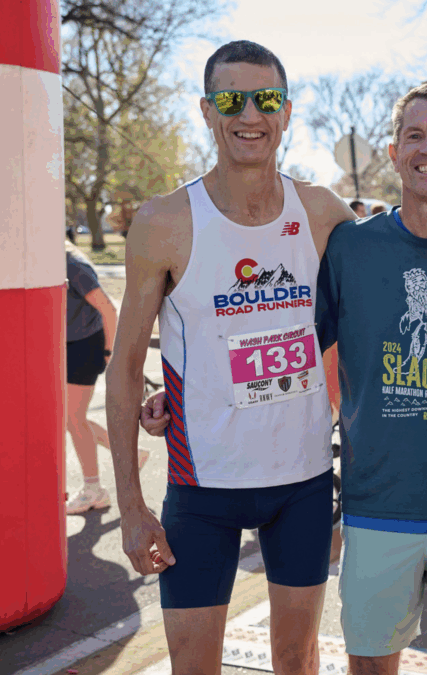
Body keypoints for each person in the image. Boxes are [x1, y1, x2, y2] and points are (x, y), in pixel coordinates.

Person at [106, 40, 357, 675]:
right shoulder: (164, 221)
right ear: (207, 110)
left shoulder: (323, 212)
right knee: (194, 666)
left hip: (303, 483)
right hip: (202, 490)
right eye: (231, 100)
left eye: (266, 99)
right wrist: (131, 507)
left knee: (297, 660)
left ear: (287, 111)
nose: (250, 114)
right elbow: (125, 367)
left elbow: (396, 265)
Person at [315, 82, 427, 675]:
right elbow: (297, 351)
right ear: (394, 154)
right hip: (376, 504)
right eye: (414, 136)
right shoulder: (350, 248)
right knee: (370, 665)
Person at [64, 241, 149, 515]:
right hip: (70, 346)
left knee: (73, 418)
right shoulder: (55, 261)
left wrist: (110, 354)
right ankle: (133, 455)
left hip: (86, 346)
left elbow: (109, 309)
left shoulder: (72, 264)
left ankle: (94, 490)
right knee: (70, 418)